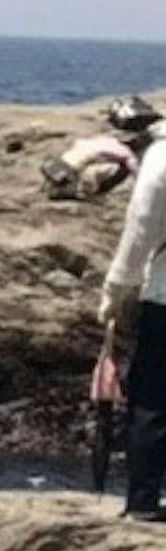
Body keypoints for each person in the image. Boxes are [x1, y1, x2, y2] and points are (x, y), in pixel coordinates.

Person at [98, 119, 166, 517]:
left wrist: (114, 293)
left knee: (153, 399)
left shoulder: (160, 158)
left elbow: (140, 230)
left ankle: (142, 501)